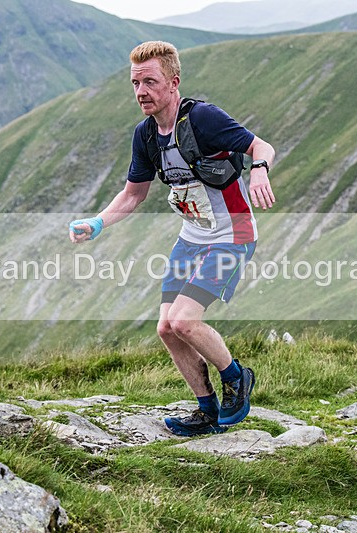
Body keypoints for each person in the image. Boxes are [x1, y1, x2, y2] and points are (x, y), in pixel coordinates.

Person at [69, 41, 275, 436]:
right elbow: (133, 194)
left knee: (184, 320)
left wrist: (260, 169)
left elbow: (259, 146)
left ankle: (236, 378)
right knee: (166, 327)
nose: (141, 92)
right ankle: (206, 412)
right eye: (135, 83)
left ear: (173, 82)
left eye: (150, 82)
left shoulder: (204, 119)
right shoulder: (146, 135)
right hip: (192, 237)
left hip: (232, 235)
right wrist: (97, 223)